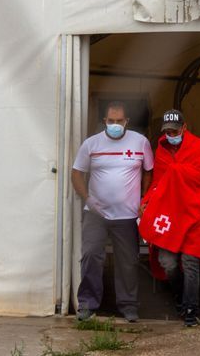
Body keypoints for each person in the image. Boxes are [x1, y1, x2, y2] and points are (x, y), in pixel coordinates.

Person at [139, 109, 200, 327]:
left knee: (190, 262)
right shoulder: (161, 150)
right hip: (170, 215)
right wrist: (147, 200)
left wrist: (180, 171)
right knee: (168, 263)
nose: (170, 134)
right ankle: (179, 298)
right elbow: (158, 180)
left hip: (194, 214)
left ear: (184, 128)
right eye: (167, 131)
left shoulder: (199, 147)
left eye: (174, 130)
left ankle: (191, 310)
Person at [72, 101, 153, 322]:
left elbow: (148, 171)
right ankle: (87, 304)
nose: (115, 125)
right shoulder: (92, 144)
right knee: (90, 256)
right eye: (111, 121)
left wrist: (143, 199)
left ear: (126, 122)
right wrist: (87, 199)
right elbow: (76, 173)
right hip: (96, 214)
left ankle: (128, 306)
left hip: (127, 215)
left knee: (128, 261)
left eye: (119, 121)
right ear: (104, 122)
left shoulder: (140, 142)